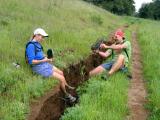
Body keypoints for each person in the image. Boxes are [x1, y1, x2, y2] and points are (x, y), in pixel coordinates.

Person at [25, 28, 76, 102]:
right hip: (38, 67)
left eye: (43, 37)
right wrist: (45, 60)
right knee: (61, 78)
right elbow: (31, 61)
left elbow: (40, 55)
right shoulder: (31, 46)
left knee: (61, 72)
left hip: (44, 63)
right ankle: (66, 95)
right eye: (42, 37)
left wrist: (47, 58)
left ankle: (67, 86)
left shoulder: (38, 44)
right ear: (36, 35)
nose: (43, 39)